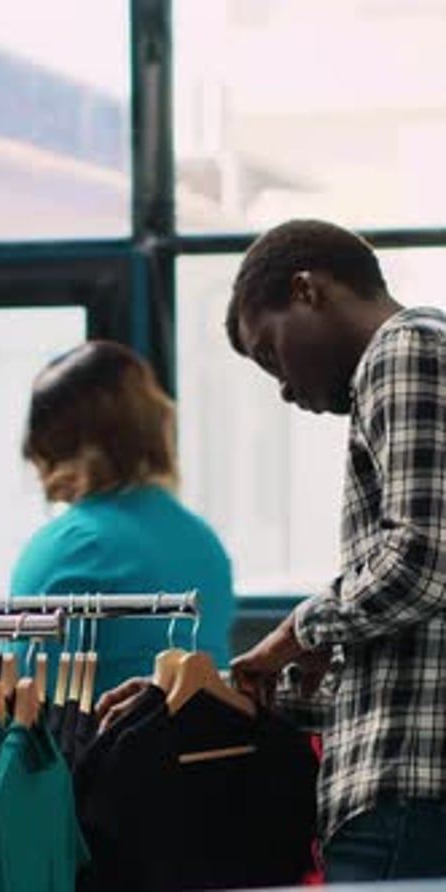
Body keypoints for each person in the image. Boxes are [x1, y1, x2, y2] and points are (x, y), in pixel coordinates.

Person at [225, 219, 446, 883]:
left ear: (308, 290)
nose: (286, 389)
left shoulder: (402, 350)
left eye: (270, 355)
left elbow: (423, 563)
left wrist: (297, 630)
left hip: (410, 800)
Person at [10, 339, 235, 697]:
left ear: (47, 446)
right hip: (202, 749)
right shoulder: (203, 541)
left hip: (100, 750)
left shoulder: (68, 547)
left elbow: (21, 708)